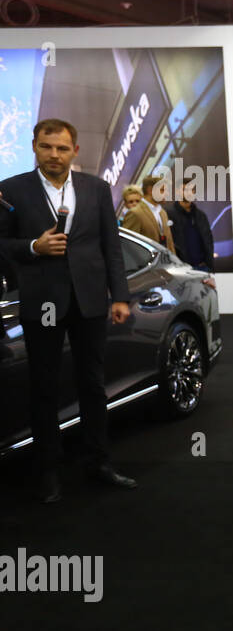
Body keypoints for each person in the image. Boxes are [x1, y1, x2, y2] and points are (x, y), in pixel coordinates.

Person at [0, 118, 137, 503]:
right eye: (47, 147)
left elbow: (111, 246)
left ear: (75, 150)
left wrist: (121, 297)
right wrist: (32, 247)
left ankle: (99, 462)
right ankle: (48, 471)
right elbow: (1, 242)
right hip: (42, 301)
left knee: (93, 384)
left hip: (91, 299)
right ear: (34, 147)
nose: (54, 155)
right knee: (43, 386)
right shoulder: (10, 190)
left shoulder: (96, 188)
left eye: (62, 148)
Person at [168, 176, 215, 272]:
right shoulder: (168, 214)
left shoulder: (200, 215)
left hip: (202, 267)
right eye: (184, 189)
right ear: (177, 192)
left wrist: (208, 262)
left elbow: (208, 240)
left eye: (191, 189)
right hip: (180, 269)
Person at [121, 174, 177, 254]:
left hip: (167, 263)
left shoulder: (162, 212)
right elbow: (128, 245)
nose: (167, 194)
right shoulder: (135, 213)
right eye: (162, 190)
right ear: (150, 190)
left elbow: (169, 243)